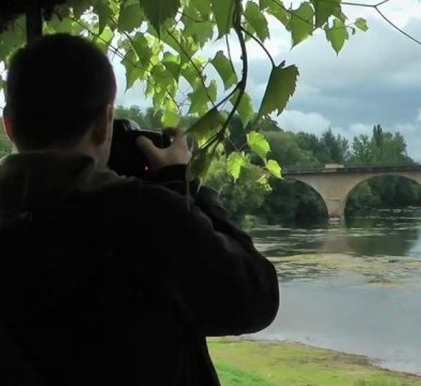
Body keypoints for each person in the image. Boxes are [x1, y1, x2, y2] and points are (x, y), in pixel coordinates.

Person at [0, 34, 279, 385]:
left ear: (8, 124)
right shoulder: (147, 217)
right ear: (105, 123)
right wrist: (182, 181)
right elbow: (254, 299)